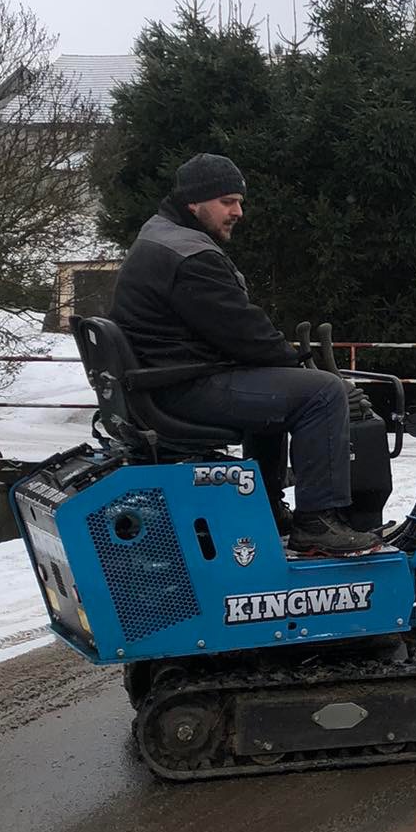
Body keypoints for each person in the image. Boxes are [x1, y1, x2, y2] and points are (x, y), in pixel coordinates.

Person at [108, 152, 383, 558]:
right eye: (227, 201)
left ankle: (268, 511)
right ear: (194, 202)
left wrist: (283, 364)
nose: (238, 211)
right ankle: (318, 524)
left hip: (164, 379)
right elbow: (245, 334)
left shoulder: (161, 236)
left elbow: (235, 334)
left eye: (239, 202)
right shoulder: (190, 257)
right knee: (321, 393)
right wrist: (305, 368)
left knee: (278, 395)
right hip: (180, 387)